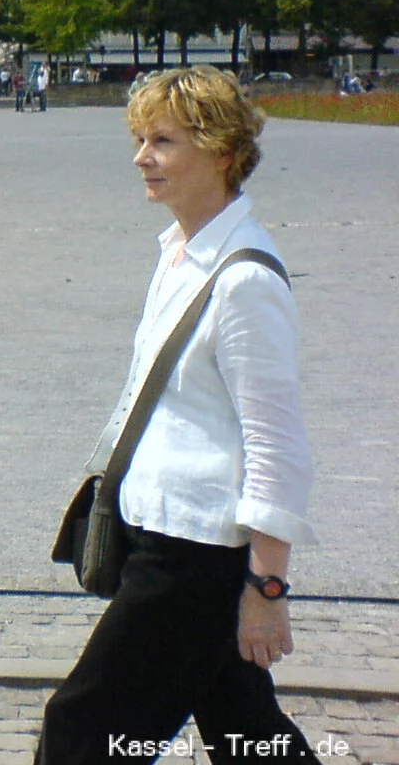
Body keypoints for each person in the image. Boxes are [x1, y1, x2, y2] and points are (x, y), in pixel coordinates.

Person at [38, 66, 317, 763]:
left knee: (82, 730)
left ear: (222, 152)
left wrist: (266, 587)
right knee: (247, 732)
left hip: (193, 553)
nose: (141, 157)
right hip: (162, 532)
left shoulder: (244, 279)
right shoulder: (181, 253)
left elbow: (278, 447)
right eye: (141, 138)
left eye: (161, 140)